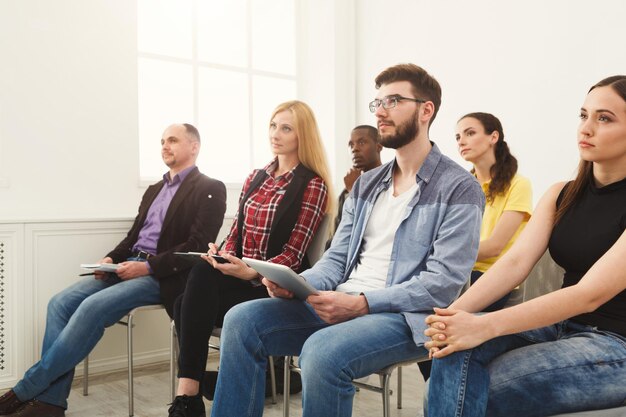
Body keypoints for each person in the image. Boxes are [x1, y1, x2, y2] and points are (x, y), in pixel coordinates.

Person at [209, 63, 485, 417]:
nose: (381, 111)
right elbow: (337, 258)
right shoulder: (368, 184)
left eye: (394, 101)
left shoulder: (460, 188)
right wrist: (299, 284)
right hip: (342, 301)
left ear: (425, 110)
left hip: (406, 317)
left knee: (323, 353)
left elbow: (442, 285)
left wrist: (362, 304)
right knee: (242, 321)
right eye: (378, 102)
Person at [425, 75, 626, 417]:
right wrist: (451, 316)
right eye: (583, 115)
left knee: (484, 390)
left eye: (604, 118)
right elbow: (515, 262)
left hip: (614, 342)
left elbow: (589, 294)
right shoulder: (562, 193)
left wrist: (484, 324)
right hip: (561, 326)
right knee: (451, 351)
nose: (586, 128)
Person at [0, 124, 226, 417]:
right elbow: (133, 236)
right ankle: (51, 403)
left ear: (194, 146)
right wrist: (110, 258)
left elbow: (195, 246)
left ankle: (25, 390)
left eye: (172, 140)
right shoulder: (155, 189)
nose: (164, 146)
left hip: (164, 275)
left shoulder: (210, 187)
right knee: (60, 303)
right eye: (161, 141)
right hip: (128, 264)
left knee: (92, 307)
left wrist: (145, 267)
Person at [167, 101, 333, 417]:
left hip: (272, 286)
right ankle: (195, 395)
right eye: (273, 125)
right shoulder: (256, 176)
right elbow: (236, 234)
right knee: (191, 288)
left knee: (189, 298)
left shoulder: (313, 184)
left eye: (286, 128)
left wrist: (251, 273)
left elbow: (294, 255)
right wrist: (223, 254)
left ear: (303, 135)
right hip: (239, 277)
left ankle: (187, 398)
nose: (276, 134)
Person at [456, 113, 532, 311]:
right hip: (458, 270)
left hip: (493, 275)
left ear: (493, 137)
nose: (461, 141)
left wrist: (447, 252)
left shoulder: (518, 185)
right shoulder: (459, 186)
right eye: (457, 137)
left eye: (470, 133)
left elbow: (494, 247)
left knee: (437, 321)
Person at [326, 125, 382, 248]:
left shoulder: (388, 183)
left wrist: (353, 190)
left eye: (362, 142)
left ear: (379, 145)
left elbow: (371, 229)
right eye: (351, 145)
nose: (354, 149)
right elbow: (338, 236)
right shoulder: (345, 191)